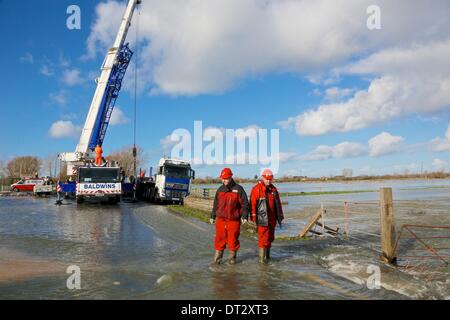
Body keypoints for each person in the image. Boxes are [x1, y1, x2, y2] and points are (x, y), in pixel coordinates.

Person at [210, 168, 249, 264]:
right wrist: (213, 216)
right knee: (219, 241)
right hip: (220, 220)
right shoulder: (220, 190)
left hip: (233, 221)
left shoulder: (239, 189)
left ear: (231, 177)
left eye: (226, 178)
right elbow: (216, 204)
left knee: (233, 242)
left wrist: (244, 216)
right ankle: (216, 262)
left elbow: (245, 204)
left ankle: (232, 263)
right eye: (222, 178)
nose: (224, 180)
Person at [250, 169, 284, 264]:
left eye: (270, 179)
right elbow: (252, 204)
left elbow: (278, 204)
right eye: (266, 179)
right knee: (263, 240)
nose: (268, 181)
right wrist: (253, 217)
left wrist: (280, 216)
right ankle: (262, 261)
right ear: (263, 178)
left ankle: (267, 259)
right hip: (262, 219)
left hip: (272, 219)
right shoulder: (256, 189)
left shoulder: (274, 189)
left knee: (270, 238)